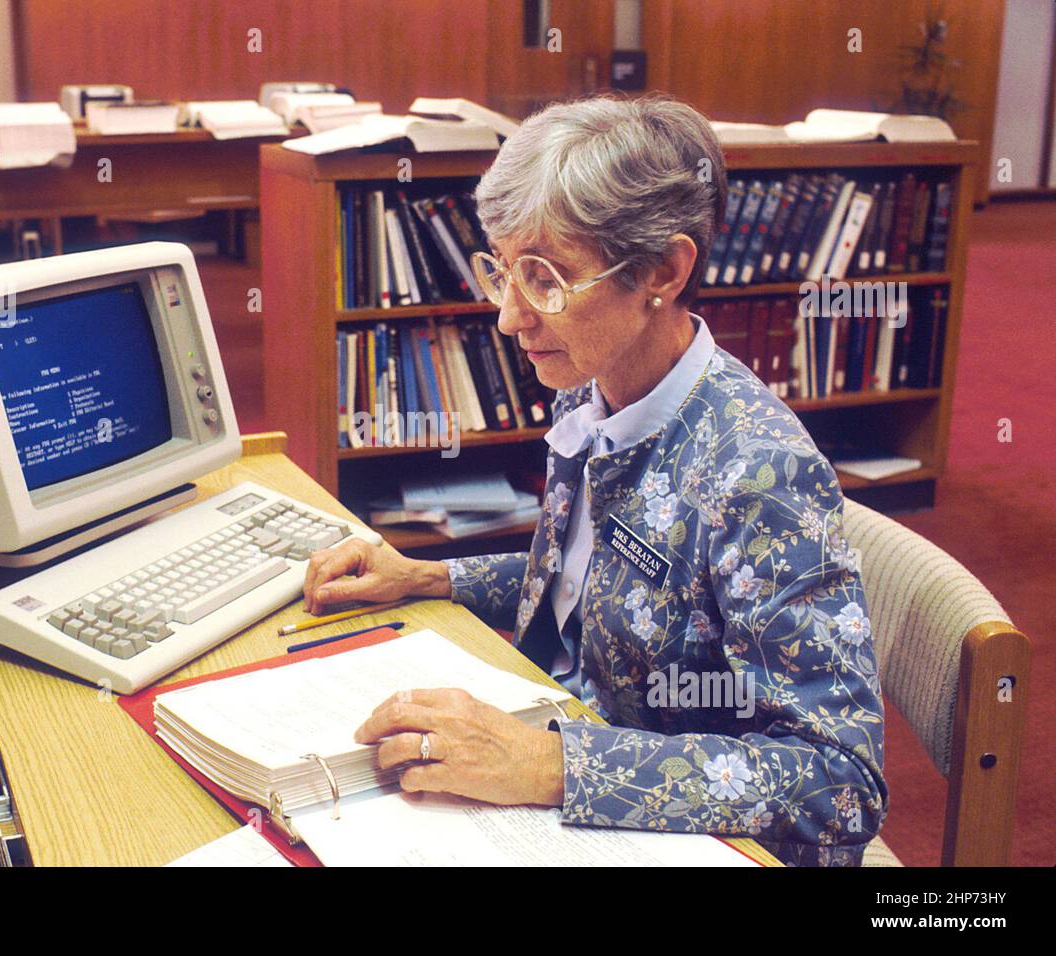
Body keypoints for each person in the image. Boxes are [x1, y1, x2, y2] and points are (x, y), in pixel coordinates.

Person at [303, 93, 886, 866]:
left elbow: (838, 781)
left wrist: (551, 764)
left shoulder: (758, 471)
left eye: (545, 278)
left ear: (665, 272)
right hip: (578, 766)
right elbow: (598, 580)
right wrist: (430, 577)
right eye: (502, 271)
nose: (510, 317)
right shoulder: (595, 383)